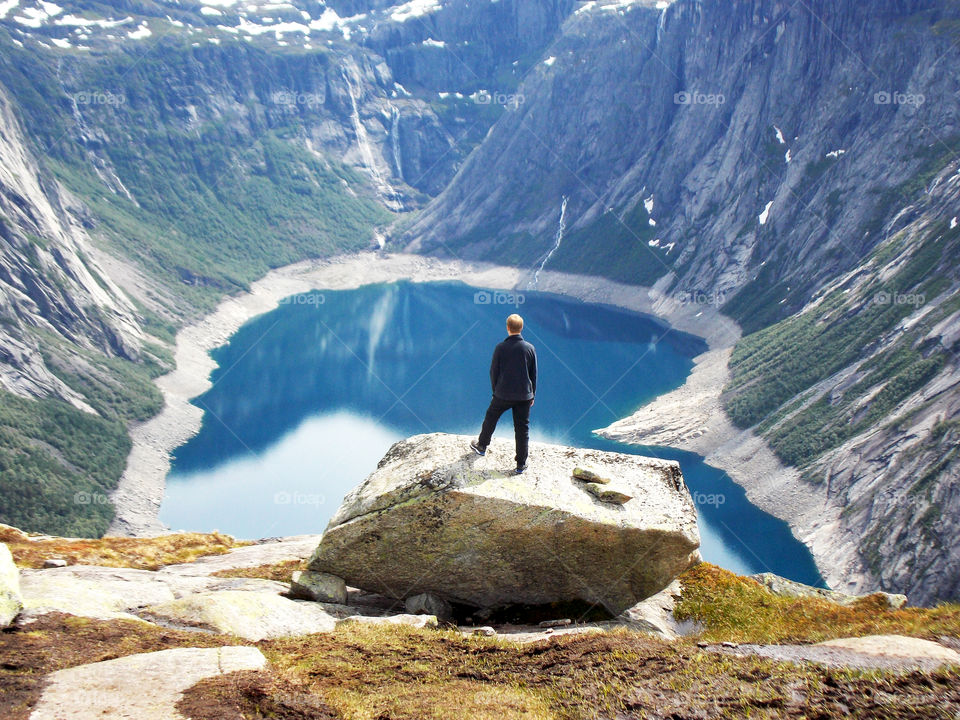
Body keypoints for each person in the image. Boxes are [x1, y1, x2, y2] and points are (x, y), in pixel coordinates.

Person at [470, 313, 537, 474]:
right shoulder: (529, 348)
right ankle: (521, 464)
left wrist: (496, 391)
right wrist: (532, 394)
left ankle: (482, 446)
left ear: (507, 328)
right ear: (521, 328)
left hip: (503, 394)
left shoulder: (500, 347)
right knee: (522, 429)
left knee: (491, 417)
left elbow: (494, 371)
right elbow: (533, 373)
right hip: (524, 396)